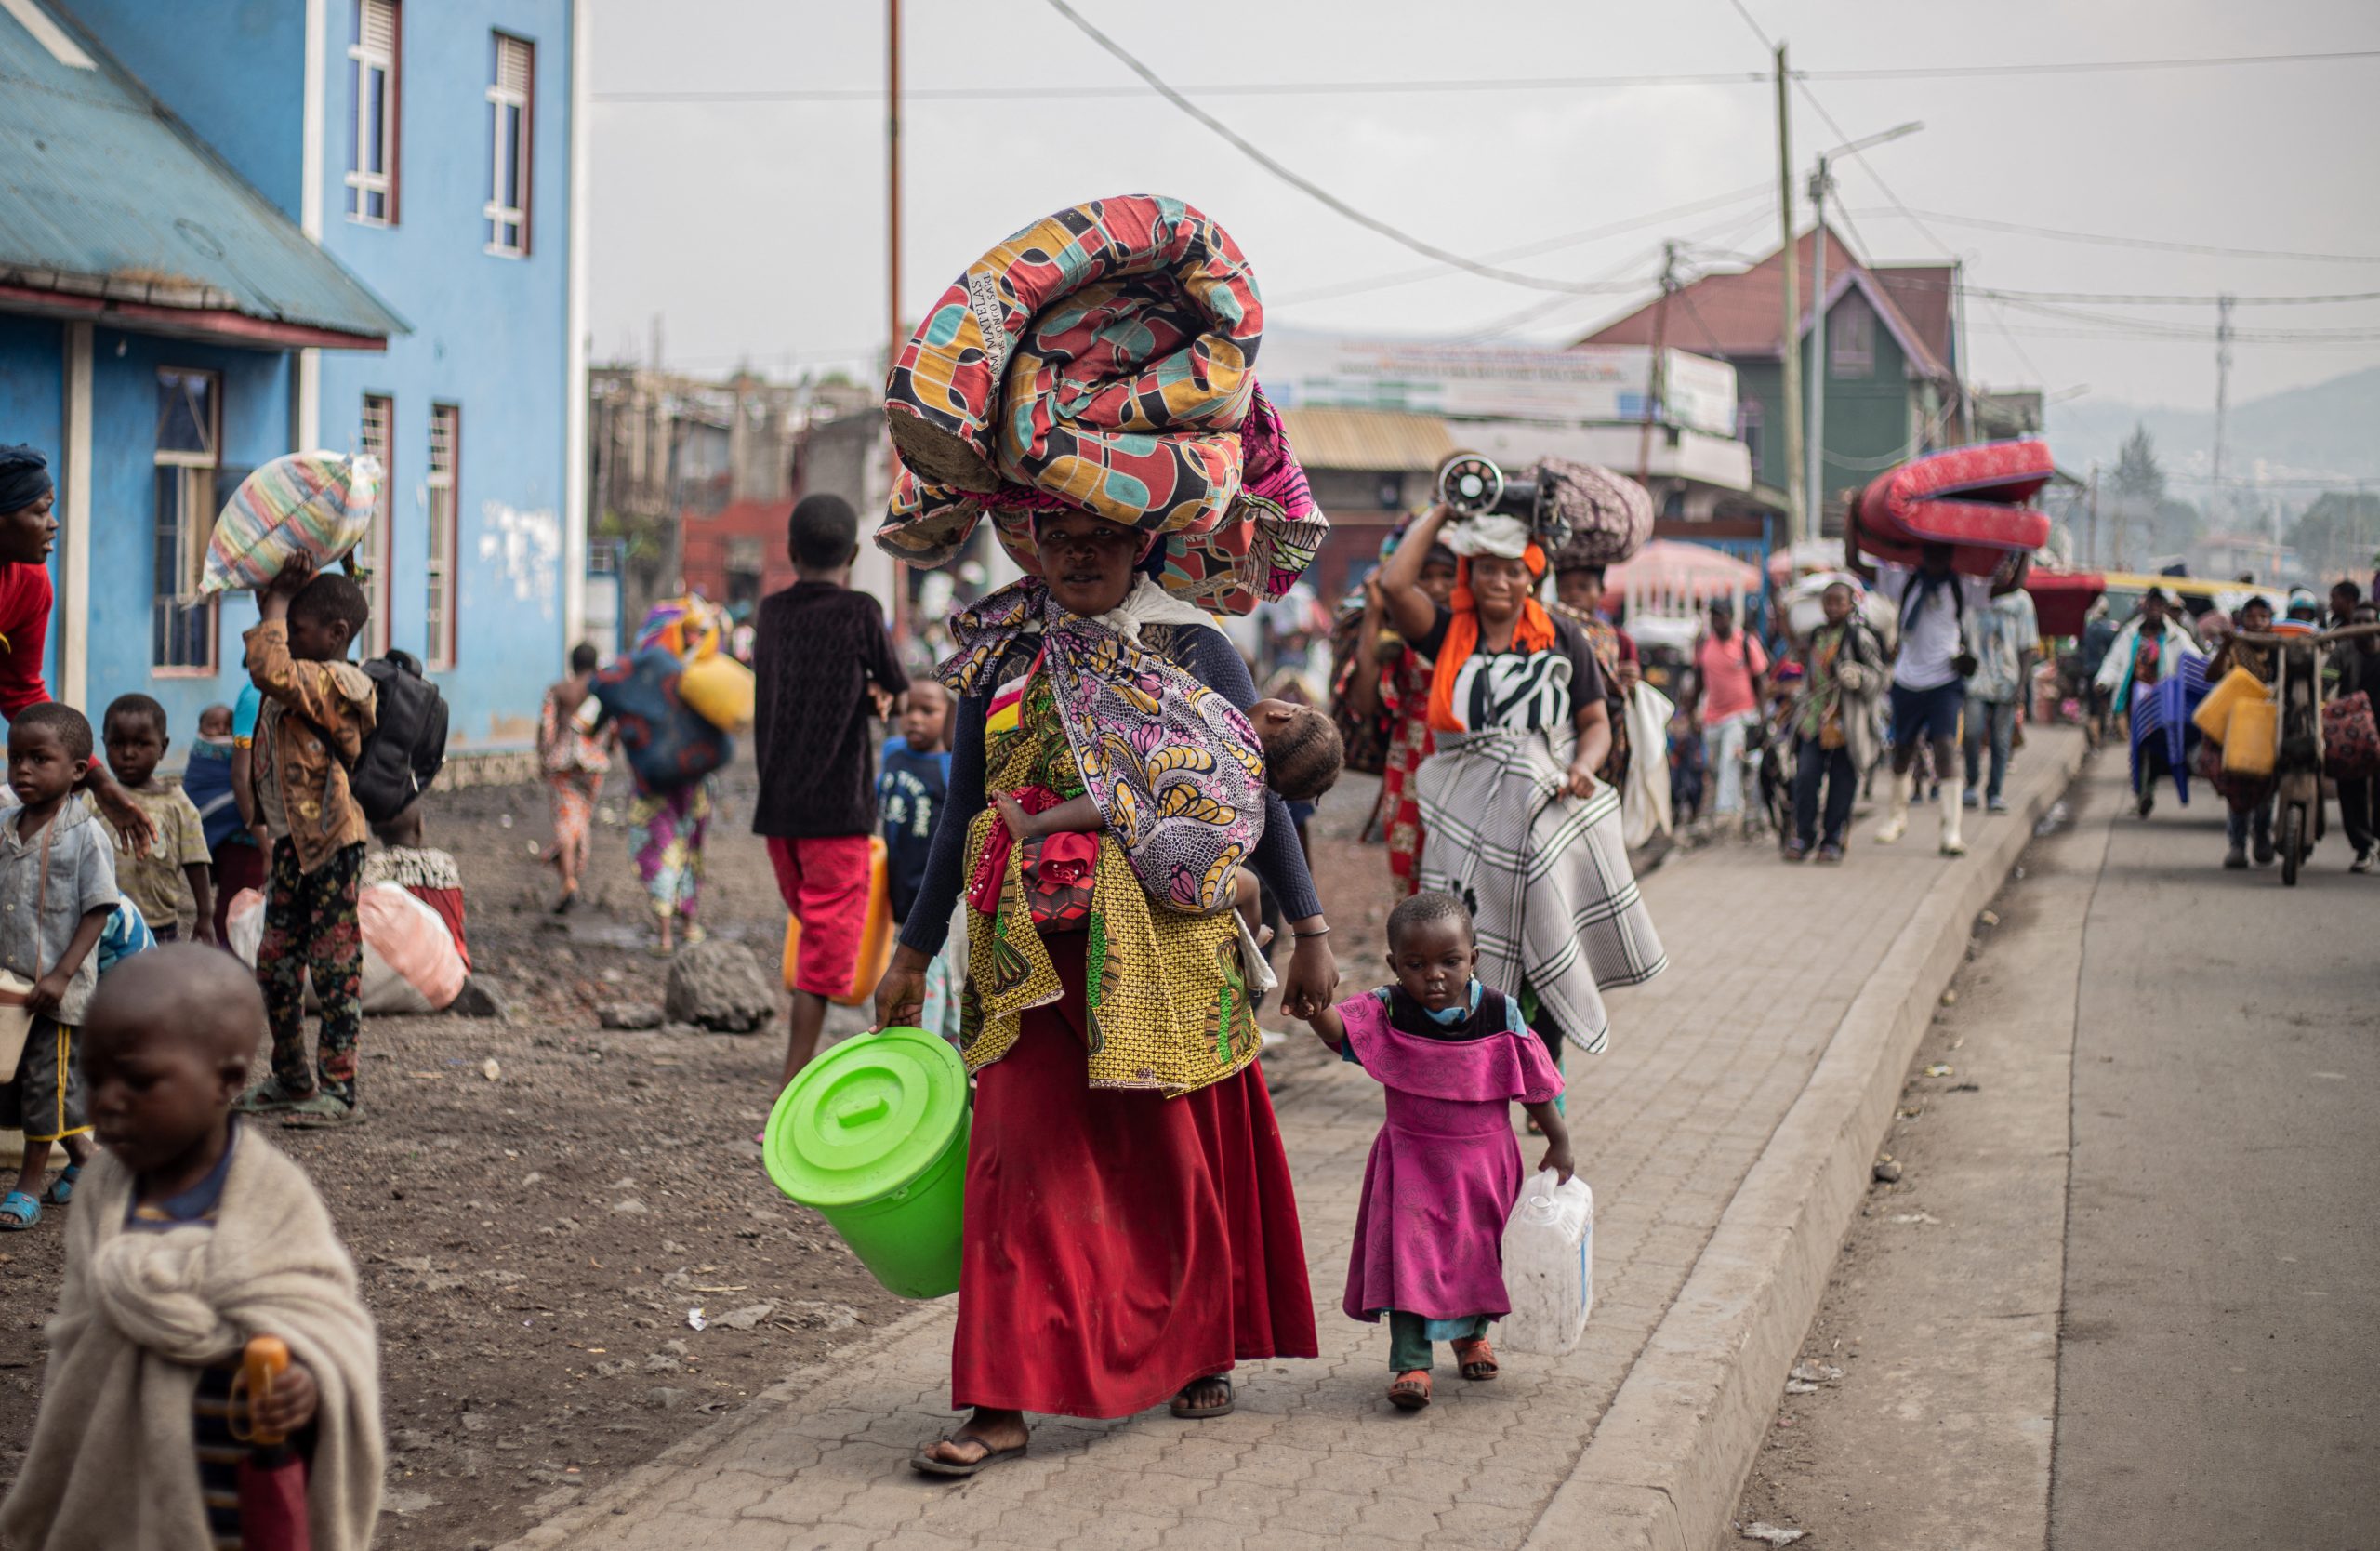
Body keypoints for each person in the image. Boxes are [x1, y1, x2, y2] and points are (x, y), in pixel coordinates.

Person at [874, 508, 1333, 1474]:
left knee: (1168, 1158)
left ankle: (1198, 1344)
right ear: (1031, 546)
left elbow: (1257, 794)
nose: (1081, 554)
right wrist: (912, 953)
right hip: (1020, 954)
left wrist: (1313, 934)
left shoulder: (1191, 646)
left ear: (1143, 547)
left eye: (1104, 538)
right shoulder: (1000, 658)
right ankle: (1000, 1400)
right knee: (1012, 1167)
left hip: (1160, 950)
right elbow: (965, 804)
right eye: (1061, 537)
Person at [0, 947, 383, 1550]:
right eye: (93, 1079)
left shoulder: (274, 1197)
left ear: (227, 1081)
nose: (107, 1102)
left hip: (239, 1499)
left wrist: (307, 1387)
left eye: (141, 1080)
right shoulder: (103, 1190)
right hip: (126, 1499)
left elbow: (333, 1331)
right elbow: (80, 1347)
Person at [1377, 503, 1666, 1081]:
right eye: (1487, 569)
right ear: (1470, 574)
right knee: (1465, 941)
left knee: (1545, 928)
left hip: (1543, 799)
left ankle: (1542, 1071)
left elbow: (1595, 723)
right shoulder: (1446, 631)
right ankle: (1470, 1067)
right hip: (1465, 807)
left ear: (1531, 574)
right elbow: (1392, 583)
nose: (1500, 582)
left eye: (1513, 570)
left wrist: (1584, 766)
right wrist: (1443, 510)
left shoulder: (1563, 636)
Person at [1305, 892, 1570, 1412]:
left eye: (1450, 962)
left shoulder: (1500, 1012)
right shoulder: (1388, 1008)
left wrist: (1559, 1140)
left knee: (1481, 1254)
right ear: (1394, 965)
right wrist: (1315, 1007)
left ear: (1473, 958)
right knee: (1411, 1258)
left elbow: (1535, 1082)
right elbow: (1341, 1031)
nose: (1434, 976)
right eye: (1416, 964)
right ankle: (1411, 1362)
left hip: (1486, 1166)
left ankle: (1472, 1338)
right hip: (1412, 1165)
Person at [754, 494, 909, 1093]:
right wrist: (873, 685)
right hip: (838, 816)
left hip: (778, 813)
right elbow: (896, 683)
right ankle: (795, 1075)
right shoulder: (861, 612)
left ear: (792, 553)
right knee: (825, 949)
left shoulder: (769, 614)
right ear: (850, 554)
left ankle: (808, 1063)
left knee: (812, 929)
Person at [234, 555, 376, 1128]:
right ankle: (291, 1077)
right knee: (274, 964)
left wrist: (276, 605)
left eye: (298, 629)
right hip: (295, 843)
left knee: (333, 963)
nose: (287, 637)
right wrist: (278, 592)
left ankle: (338, 1090)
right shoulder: (303, 672)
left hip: (333, 841)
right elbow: (268, 654)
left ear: (337, 636)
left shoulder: (337, 682)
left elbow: (267, 666)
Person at [0, 446, 157, 853]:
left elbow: (21, 692)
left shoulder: (30, 583)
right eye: (39, 511)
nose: (53, 524)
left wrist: (99, 782)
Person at [0, 704, 116, 1231]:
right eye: (15, 757)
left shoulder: (85, 834)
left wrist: (62, 975)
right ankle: (88, 1158)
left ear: (76, 769)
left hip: (55, 995)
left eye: (38, 759)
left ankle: (26, 1185)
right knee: (20, 1083)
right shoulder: (6, 827)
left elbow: (98, 908)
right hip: (10, 990)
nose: (22, 769)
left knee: (47, 1085)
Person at [1846, 532, 2027, 857]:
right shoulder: (1904, 582)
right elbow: (1853, 562)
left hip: (1945, 682)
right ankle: (1896, 816)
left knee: (1945, 748)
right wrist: (1853, 518)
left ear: (1951, 557)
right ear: (1922, 555)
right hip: (1906, 680)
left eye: (1942, 555)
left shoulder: (1963, 587)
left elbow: (2010, 586)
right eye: (1930, 554)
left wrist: (2027, 545)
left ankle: (1951, 831)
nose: (1936, 561)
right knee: (1902, 750)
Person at [1341, 538, 1460, 895]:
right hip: (1409, 762)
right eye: (1426, 576)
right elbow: (1363, 702)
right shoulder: (1396, 635)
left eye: (1447, 576)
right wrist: (1376, 613)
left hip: (1461, 757)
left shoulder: (1476, 630)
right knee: (1410, 875)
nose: (1437, 586)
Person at [94, 694, 216, 947]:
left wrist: (205, 916)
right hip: (102, 921)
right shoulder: (95, 801)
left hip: (158, 923)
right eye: (117, 744)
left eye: (141, 744)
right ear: (104, 744)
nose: (128, 753)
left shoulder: (178, 804)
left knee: (155, 983)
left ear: (163, 747)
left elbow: (196, 861)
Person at [1786, 581, 1886, 863]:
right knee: (1805, 778)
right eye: (1827, 602)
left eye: (1838, 602)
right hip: (1815, 721)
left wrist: (1858, 676)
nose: (1832, 607)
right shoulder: (1817, 635)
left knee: (1842, 784)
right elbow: (1809, 674)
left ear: (1850, 604)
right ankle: (1804, 835)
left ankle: (1832, 839)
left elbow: (1879, 677)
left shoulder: (1860, 638)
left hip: (1847, 725)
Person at [1551, 550, 1638, 789]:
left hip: (1605, 732)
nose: (1574, 594)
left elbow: (1627, 693)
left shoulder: (1617, 639)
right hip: (1561, 728)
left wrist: (1630, 684)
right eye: (1566, 587)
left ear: (1601, 591)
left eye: (1583, 586)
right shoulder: (1549, 628)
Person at [537, 643, 611, 914]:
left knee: (565, 823)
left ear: (572, 664)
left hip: (563, 764)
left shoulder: (559, 690)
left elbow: (547, 728)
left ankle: (568, 880)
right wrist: (607, 749)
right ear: (594, 664)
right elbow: (610, 727)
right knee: (580, 821)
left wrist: (544, 758)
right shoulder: (602, 690)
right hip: (593, 766)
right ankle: (572, 876)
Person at [2207, 595, 2280, 868]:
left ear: (2271, 622)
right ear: (2242, 620)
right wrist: (2225, 648)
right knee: (2237, 785)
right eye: (2252, 617)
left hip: (2269, 725)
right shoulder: (2234, 648)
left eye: (2263, 617)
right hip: (2237, 725)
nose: (2257, 622)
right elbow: (2211, 676)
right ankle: (2237, 844)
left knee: (2268, 783)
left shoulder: (2280, 649)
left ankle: (2262, 835)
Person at [1688, 598, 1768, 836]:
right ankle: (1742, 813)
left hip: (1741, 715)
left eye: (1721, 616)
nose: (1717, 621)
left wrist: (1762, 717)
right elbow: (1698, 681)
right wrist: (1692, 711)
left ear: (1731, 617)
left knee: (1730, 760)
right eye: (1713, 616)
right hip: (1713, 717)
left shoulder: (1746, 642)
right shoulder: (1704, 644)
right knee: (1715, 768)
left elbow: (1760, 682)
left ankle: (1727, 813)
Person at [1962, 584, 2041, 814]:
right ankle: (1971, 782)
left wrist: (2021, 685)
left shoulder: (2021, 600)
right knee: (1971, 732)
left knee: (2001, 739)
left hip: (2007, 681)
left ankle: (1994, 791)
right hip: (1976, 681)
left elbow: (2028, 646)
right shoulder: (1974, 592)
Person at [879, 681, 952, 928]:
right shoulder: (892, 751)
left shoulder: (949, 765)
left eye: (927, 711)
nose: (914, 718)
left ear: (950, 715)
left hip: (928, 882)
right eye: (908, 709)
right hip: (894, 871)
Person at [364, 804, 470, 970]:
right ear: (420, 827)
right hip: (452, 971)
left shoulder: (374, 870)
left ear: (374, 830)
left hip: (400, 976)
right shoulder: (445, 865)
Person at [2335, 602, 2379, 873]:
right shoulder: (2343, 651)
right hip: (2352, 732)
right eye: (2358, 621)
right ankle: (2363, 846)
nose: (2363, 627)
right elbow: (2325, 679)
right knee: (2350, 784)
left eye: (2369, 621)